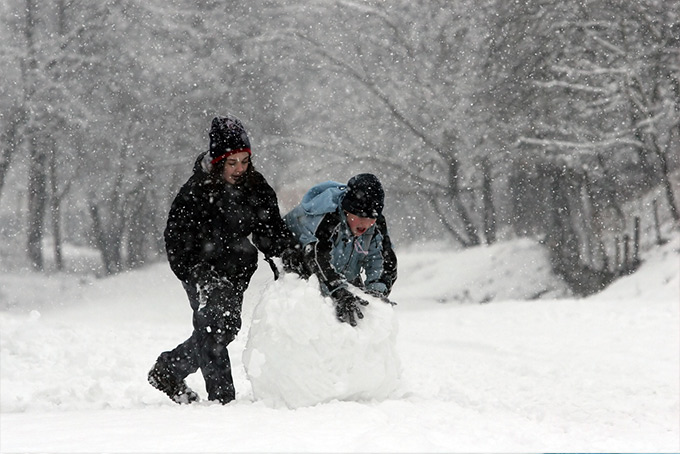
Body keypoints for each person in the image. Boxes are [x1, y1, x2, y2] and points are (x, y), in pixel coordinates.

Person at [148, 115, 296, 405]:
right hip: (201, 272)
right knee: (216, 327)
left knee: (223, 329)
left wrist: (286, 257)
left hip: (237, 271)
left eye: (244, 161)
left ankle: (169, 369)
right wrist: (195, 271)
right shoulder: (196, 192)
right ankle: (222, 402)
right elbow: (175, 238)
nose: (240, 169)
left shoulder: (255, 186)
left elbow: (270, 230)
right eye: (232, 163)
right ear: (218, 162)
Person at [283, 173, 397, 327]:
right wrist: (339, 292)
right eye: (360, 216)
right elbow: (317, 257)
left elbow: (382, 260)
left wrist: (376, 291)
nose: (366, 223)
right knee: (317, 319)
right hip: (305, 273)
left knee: (358, 313)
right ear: (348, 209)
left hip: (344, 272)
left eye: (371, 218)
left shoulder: (376, 224)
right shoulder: (327, 216)